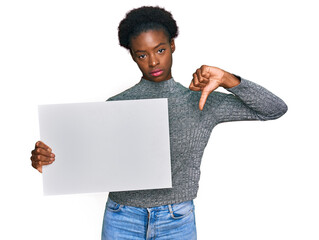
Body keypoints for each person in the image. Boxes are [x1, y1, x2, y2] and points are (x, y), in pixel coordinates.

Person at [30, 6, 288, 240]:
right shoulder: (115, 105)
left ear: (172, 45)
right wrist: (49, 163)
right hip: (122, 217)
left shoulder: (200, 101)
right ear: (132, 56)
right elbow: (88, 162)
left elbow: (274, 109)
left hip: (177, 219)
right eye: (142, 55)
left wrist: (227, 78)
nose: (153, 62)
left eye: (160, 50)